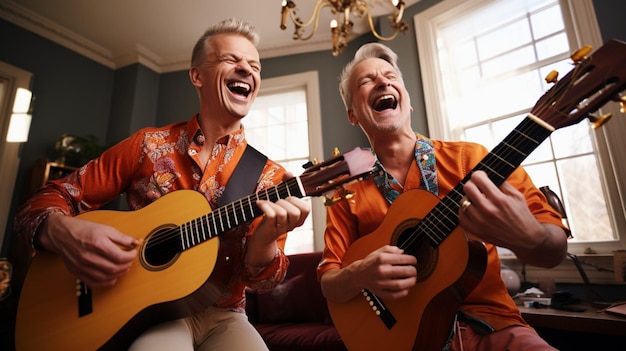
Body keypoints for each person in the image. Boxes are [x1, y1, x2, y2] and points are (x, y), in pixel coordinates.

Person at [14, 18, 310, 351]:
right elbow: (42, 201)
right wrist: (64, 231)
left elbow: (265, 281)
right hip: (151, 312)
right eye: (232, 60)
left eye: (255, 66)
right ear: (197, 76)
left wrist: (267, 238)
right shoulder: (147, 145)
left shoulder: (269, 177)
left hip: (225, 316)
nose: (247, 70)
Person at [317, 42, 569, 350]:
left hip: (492, 325)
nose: (382, 81)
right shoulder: (347, 193)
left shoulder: (474, 161)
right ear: (353, 115)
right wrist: (359, 273)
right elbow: (329, 282)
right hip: (402, 341)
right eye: (366, 81)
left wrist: (529, 236)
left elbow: (554, 250)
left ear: (407, 102)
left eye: (390, 75)